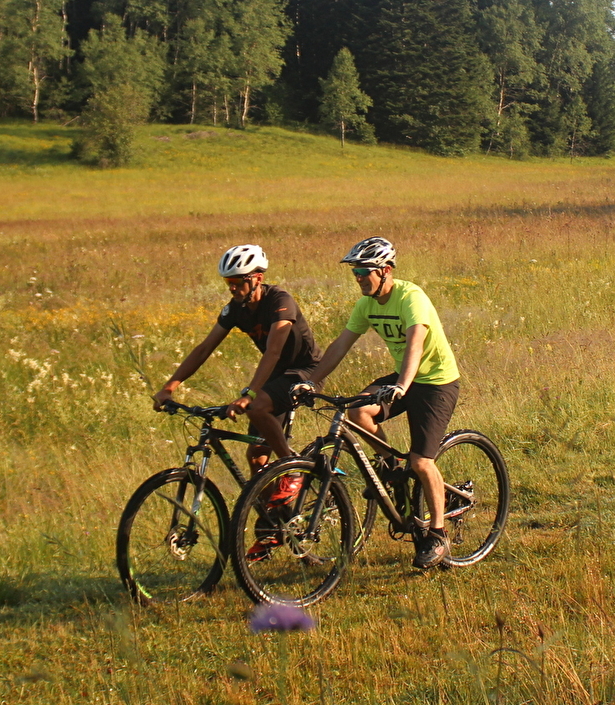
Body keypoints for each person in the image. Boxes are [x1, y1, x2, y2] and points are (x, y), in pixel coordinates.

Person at [303, 236, 461, 569]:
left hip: (435, 382)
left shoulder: (410, 297)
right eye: (355, 272)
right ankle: (391, 469)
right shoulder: (367, 305)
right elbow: (340, 345)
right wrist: (311, 381)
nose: (358, 278)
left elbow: (416, 342)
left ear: (385, 270)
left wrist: (402, 384)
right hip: (403, 378)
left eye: (363, 271)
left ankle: (438, 532)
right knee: (357, 410)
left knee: (421, 461)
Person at [152, 245, 320, 481]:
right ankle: (274, 516)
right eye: (228, 282)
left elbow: (273, 352)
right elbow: (204, 349)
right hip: (276, 374)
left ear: (257, 278)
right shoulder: (235, 309)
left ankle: (292, 472)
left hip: (306, 370)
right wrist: (170, 387)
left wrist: (249, 393)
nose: (232, 288)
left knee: (257, 406)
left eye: (238, 282)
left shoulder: (280, 301)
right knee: (256, 457)